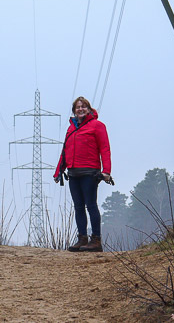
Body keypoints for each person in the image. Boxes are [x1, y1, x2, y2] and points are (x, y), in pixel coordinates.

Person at [53, 96, 113, 252]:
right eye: (77, 107)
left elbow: (105, 148)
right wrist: (58, 171)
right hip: (73, 173)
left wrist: (106, 171)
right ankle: (82, 238)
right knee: (78, 207)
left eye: (84, 106)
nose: (80, 109)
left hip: (90, 173)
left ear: (89, 109)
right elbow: (65, 152)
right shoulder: (71, 128)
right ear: (74, 111)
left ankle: (96, 240)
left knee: (91, 205)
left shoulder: (97, 126)